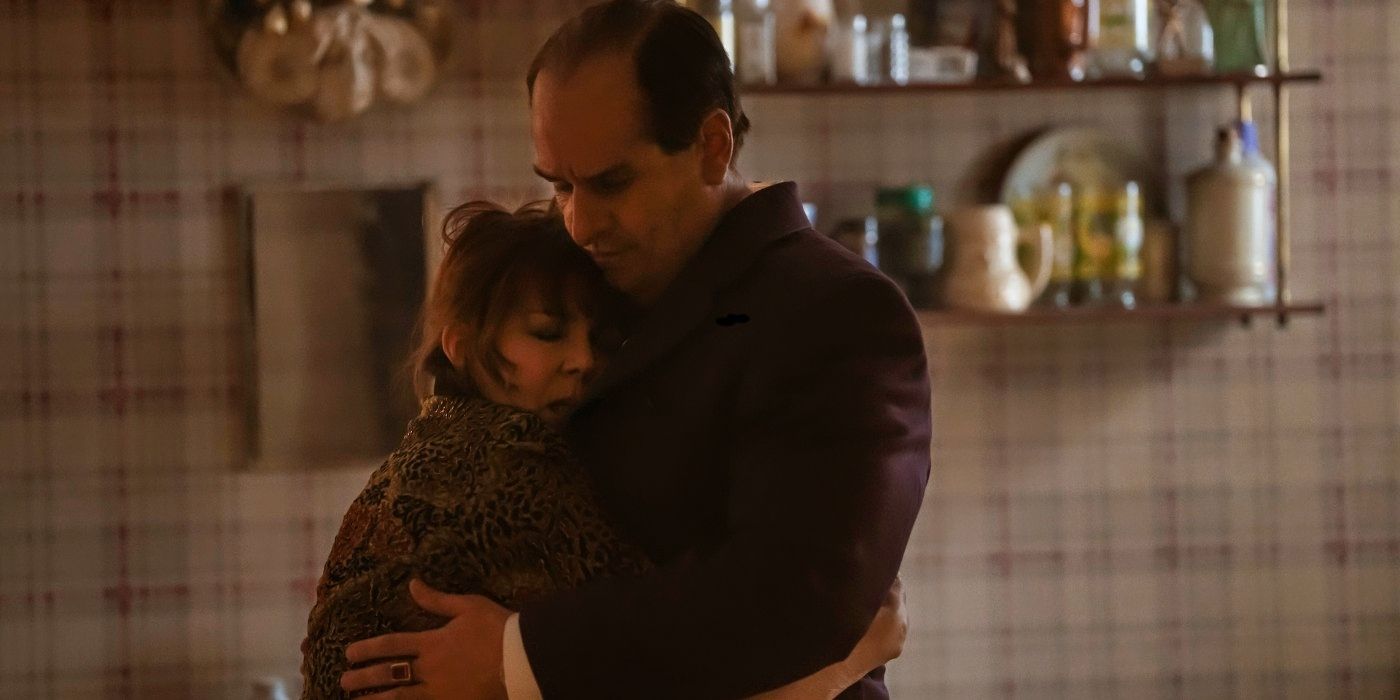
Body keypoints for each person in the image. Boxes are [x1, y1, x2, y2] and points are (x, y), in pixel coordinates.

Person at [341, 1, 932, 698]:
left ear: (713, 147)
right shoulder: (588, 284)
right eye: (558, 185)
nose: (580, 223)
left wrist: (514, 657)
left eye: (611, 183)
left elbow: (799, 596)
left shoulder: (835, 309)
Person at [303, 201, 906, 699]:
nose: (583, 360)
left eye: (602, 337)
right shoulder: (511, 469)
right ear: (461, 346)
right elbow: (677, 678)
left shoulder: (432, 445)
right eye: (547, 333)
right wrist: (850, 660)